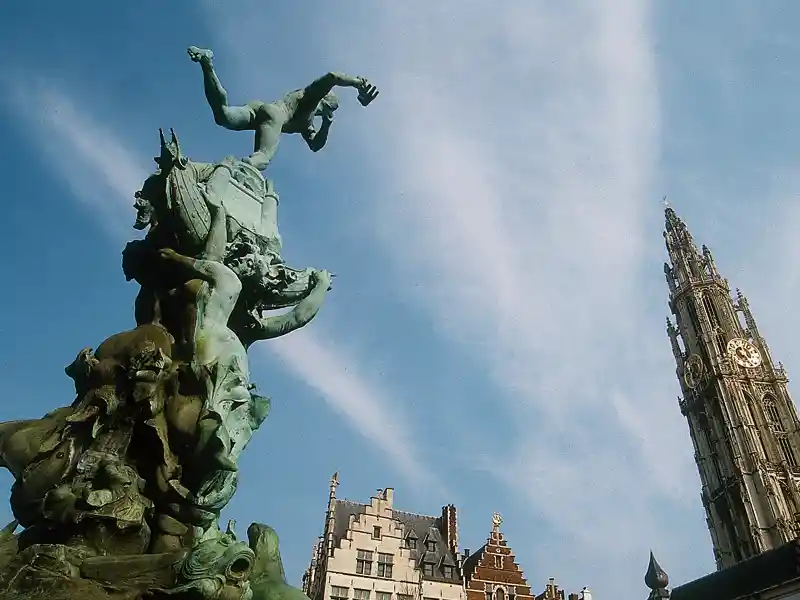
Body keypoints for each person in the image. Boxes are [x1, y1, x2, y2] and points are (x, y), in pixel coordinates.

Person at [187, 46, 379, 171]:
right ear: (326, 101)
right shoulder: (311, 99)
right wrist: (357, 83)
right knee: (261, 159)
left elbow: (314, 145)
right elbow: (332, 76)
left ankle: (207, 65)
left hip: (261, 109)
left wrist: (327, 125)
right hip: (276, 116)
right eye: (331, 107)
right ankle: (237, 176)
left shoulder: (308, 122)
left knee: (223, 116)